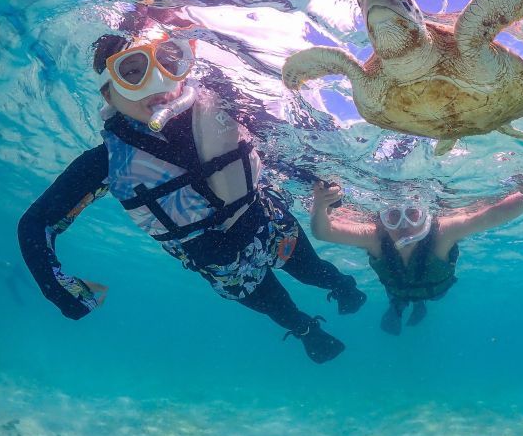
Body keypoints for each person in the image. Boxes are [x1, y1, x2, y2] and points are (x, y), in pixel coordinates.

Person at [18, 24, 366, 364]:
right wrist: (58, 288)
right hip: (223, 265)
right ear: (108, 93)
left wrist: (322, 184)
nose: (157, 83)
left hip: (269, 225)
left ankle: (343, 286)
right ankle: (308, 332)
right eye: (133, 72)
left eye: (169, 64)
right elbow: (36, 224)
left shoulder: (228, 110)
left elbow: (290, 151)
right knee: (279, 306)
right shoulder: (107, 163)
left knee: (314, 270)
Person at [310, 176, 523, 335]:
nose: (405, 226)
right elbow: (324, 232)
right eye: (393, 216)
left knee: (429, 297)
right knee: (398, 297)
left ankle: (418, 304)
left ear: (427, 216)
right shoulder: (373, 237)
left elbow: (488, 216)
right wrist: (320, 206)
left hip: (435, 289)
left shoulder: (442, 233)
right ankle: (398, 308)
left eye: (413, 214)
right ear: (382, 219)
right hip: (397, 288)